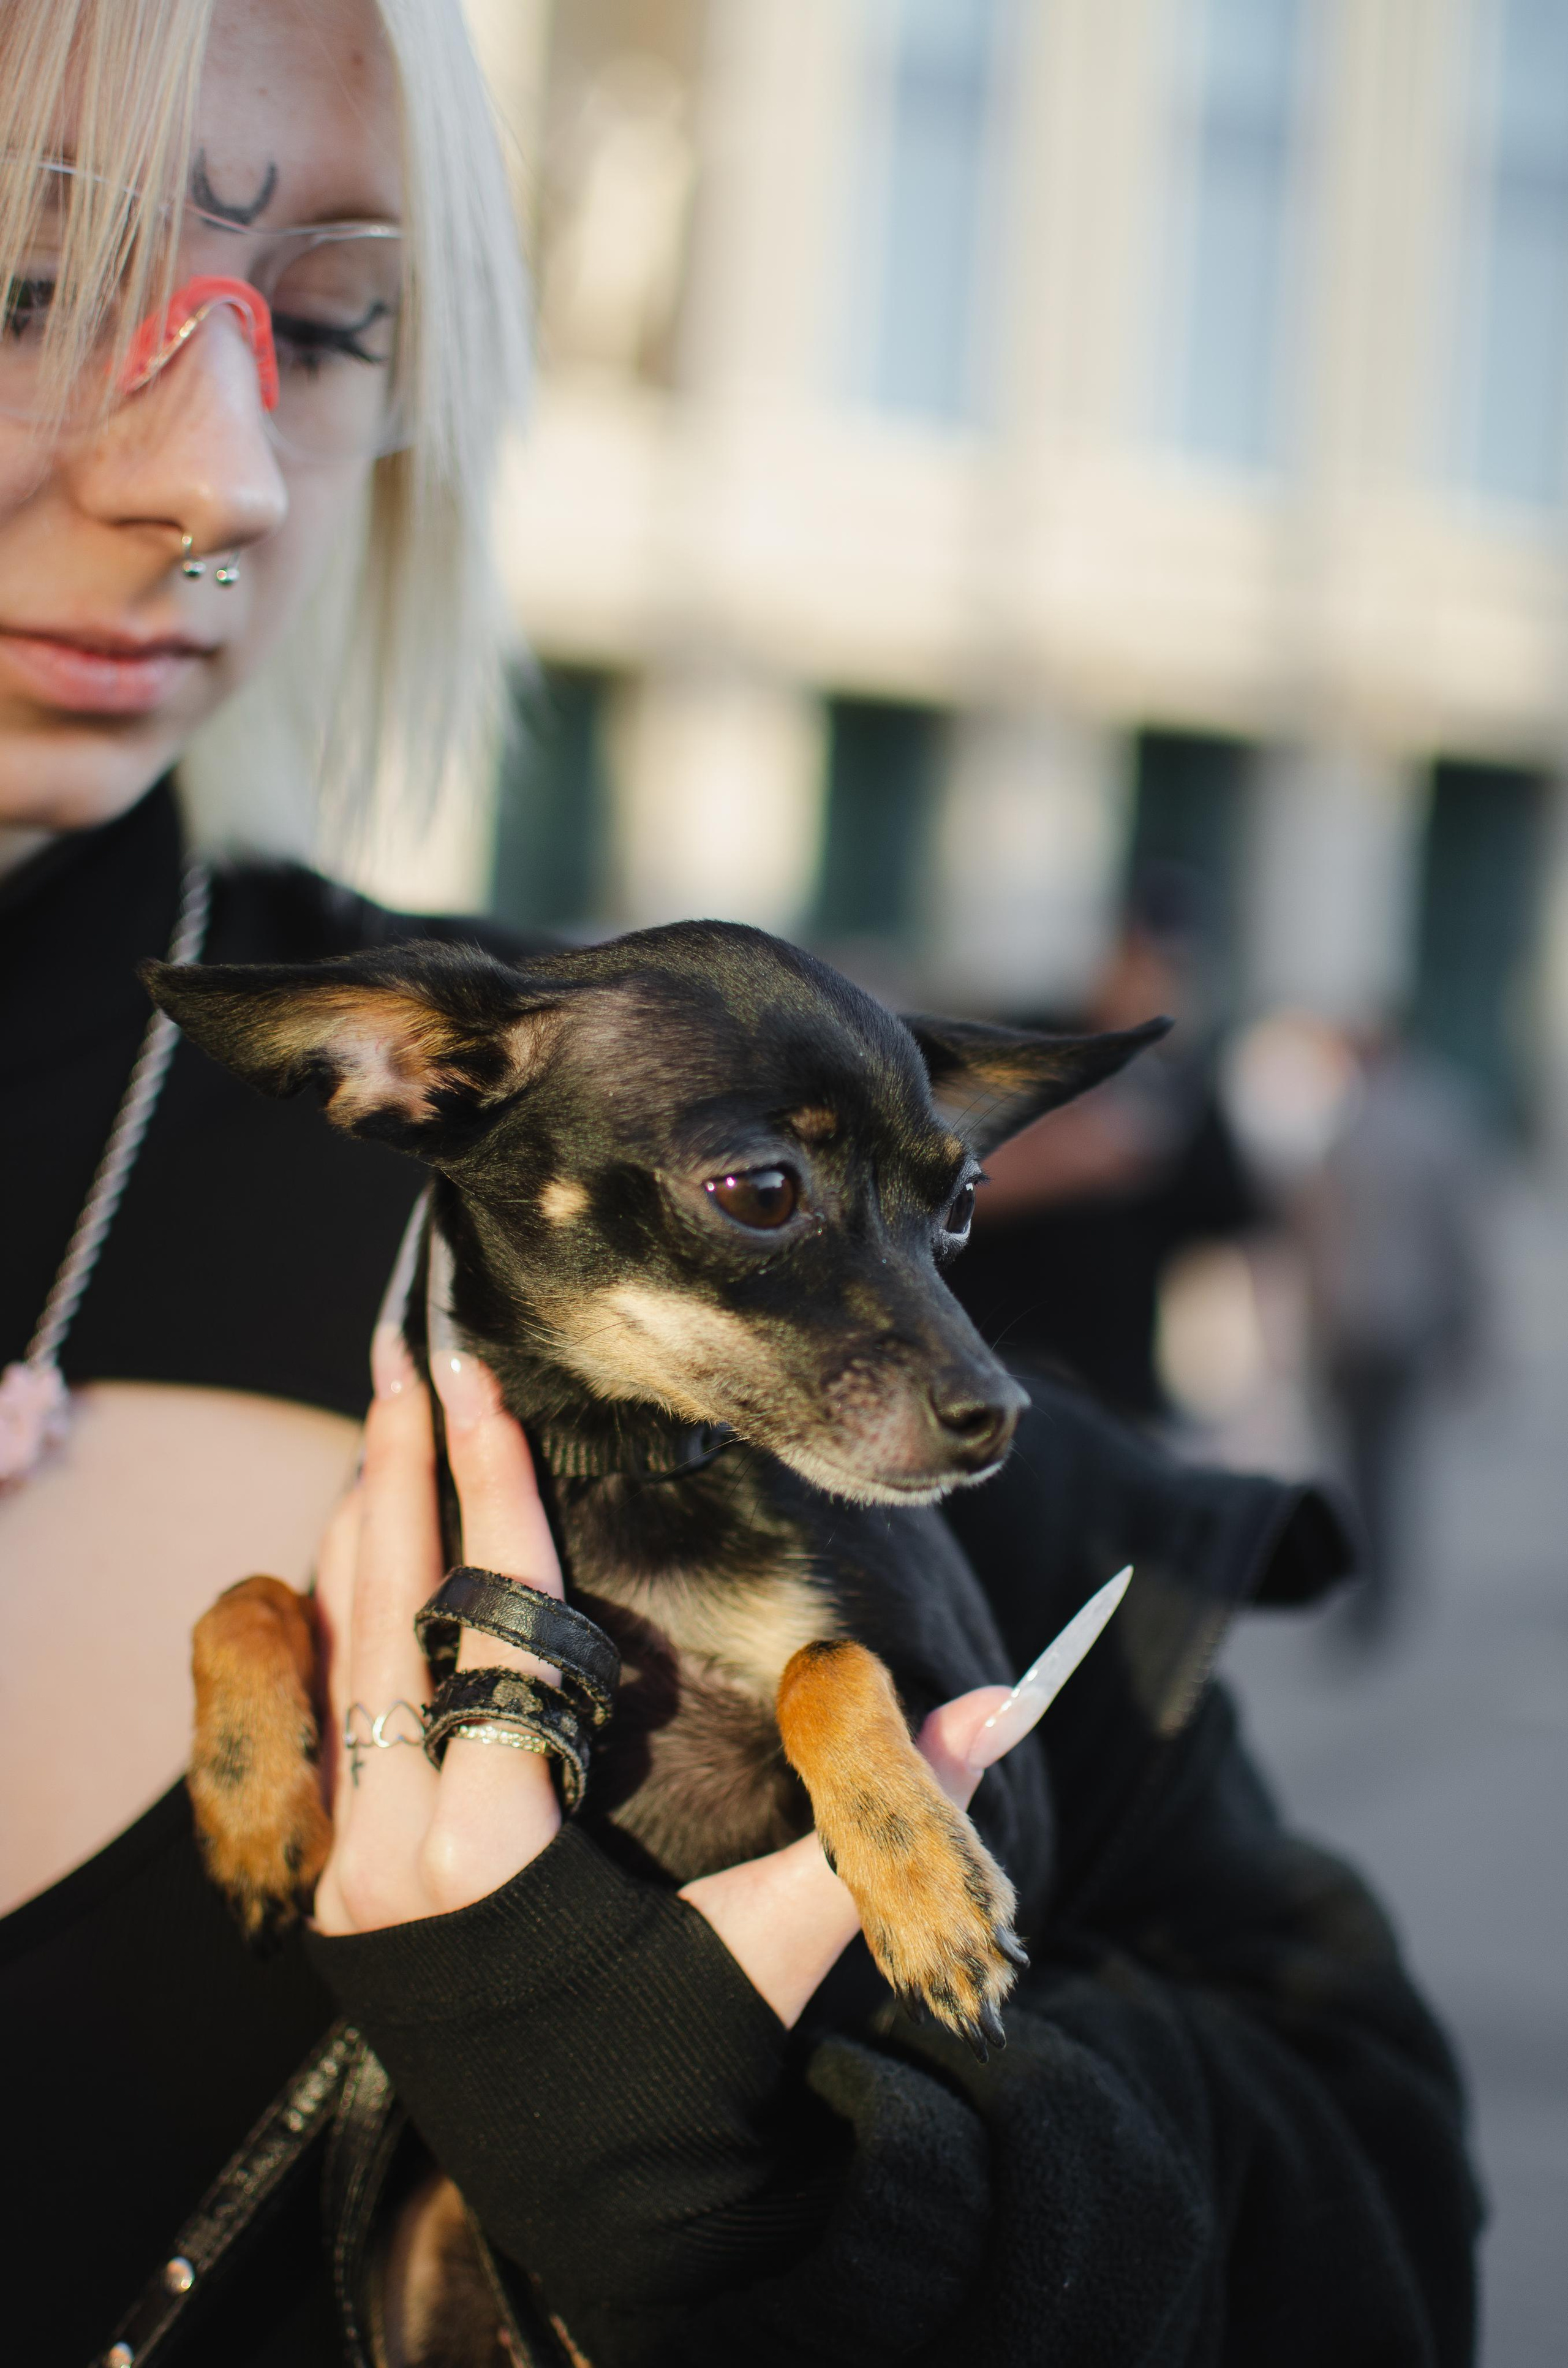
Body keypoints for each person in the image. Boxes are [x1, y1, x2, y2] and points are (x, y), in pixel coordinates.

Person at [1, 6, 1480, 2364]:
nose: (222, 472)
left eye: (337, 326)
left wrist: (790, 2211)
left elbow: (1374, 2209)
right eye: (28, 286)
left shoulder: (622, 1149)